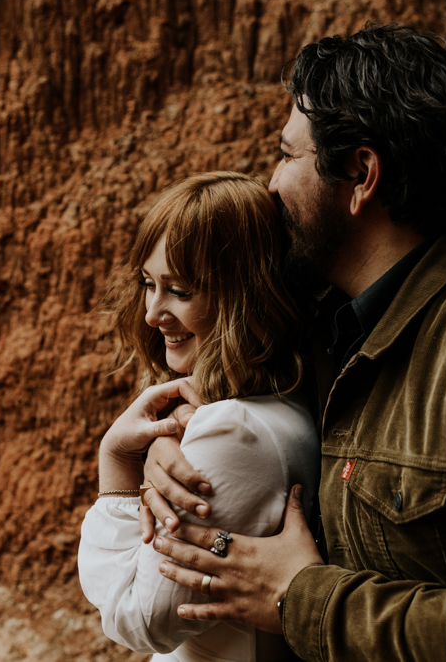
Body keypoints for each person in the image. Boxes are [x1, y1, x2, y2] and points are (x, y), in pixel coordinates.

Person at [139, 24, 446, 662]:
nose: (270, 185)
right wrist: (178, 449)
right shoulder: (327, 319)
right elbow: (253, 421)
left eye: (286, 155)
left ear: (360, 174)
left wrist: (302, 597)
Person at [77, 171, 322, 661]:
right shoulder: (284, 405)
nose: (152, 313)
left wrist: (117, 464)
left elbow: (137, 619)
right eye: (149, 284)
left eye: (180, 291)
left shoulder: (235, 433)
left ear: (243, 296)